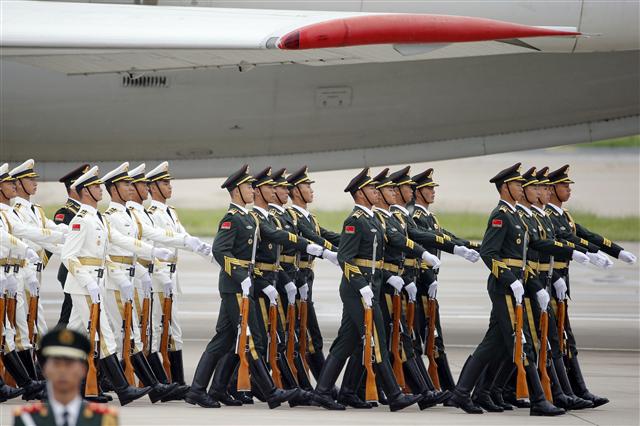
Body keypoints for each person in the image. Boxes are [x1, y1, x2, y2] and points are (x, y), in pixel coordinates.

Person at [186, 165, 320, 409]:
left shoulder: (249, 217)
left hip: (243, 284)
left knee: (225, 339)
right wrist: (240, 275)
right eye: (248, 186)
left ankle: (206, 390)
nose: (252, 190)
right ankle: (270, 392)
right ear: (236, 190)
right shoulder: (232, 218)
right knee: (254, 338)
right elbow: (219, 250)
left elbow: (273, 234)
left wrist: (309, 247)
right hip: (234, 286)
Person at [448, 163, 565, 416]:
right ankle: (538, 400)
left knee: (495, 344)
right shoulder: (500, 215)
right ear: (505, 188)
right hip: (504, 287)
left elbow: (531, 251)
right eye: (516, 184)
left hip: (518, 286)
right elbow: (489, 253)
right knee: (520, 342)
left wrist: (570, 253)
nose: (522, 188)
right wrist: (510, 279)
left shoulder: (518, 216)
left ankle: (462, 393)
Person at [312, 168, 423, 412]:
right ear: (360, 193)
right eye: (373, 189)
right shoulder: (355, 221)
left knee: (347, 341)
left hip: (370, 286)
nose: (377, 192)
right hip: (355, 289)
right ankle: (394, 395)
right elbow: (346, 258)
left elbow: (377, 259)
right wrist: (362, 286)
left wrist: (390, 278)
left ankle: (324, 392)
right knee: (377, 336)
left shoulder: (373, 219)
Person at [61, 166, 173, 406]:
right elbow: (68, 256)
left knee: (75, 336)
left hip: (95, 283)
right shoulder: (81, 220)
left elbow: (121, 240)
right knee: (105, 336)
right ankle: (123, 389)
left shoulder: (98, 218)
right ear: (85, 191)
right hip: (84, 285)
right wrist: (88, 281)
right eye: (96, 187)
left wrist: (152, 250)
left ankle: (73, 390)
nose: (101, 189)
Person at [545, 164, 637, 408]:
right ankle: (567, 391)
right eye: (564, 185)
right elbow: (565, 242)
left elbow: (587, 235)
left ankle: (577, 390)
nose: (568, 189)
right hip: (549, 282)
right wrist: (586, 254)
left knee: (563, 339)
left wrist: (617, 251)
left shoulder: (564, 216)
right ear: (552, 189)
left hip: (560, 284)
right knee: (554, 339)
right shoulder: (548, 217)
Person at [144, 162, 212, 401]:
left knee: (174, 331)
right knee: (155, 330)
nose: (169, 187)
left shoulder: (170, 212)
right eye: (164, 183)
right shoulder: (150, 214)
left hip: (172, 275)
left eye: (169, 182)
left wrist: (210, 253)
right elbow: (157, 244)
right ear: (152, 187)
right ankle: (159, 384)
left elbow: (185, 238)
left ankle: (177, 382)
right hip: (158, 276)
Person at [284, 166, 341, 384]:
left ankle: (318, 387)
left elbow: (327, 235)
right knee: (307, 336)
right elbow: (313, 239)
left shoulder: (310, 217)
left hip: (307, 279)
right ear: (296, 190)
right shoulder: (293, 216)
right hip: (295, 279)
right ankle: (323, 387)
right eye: (307, 186)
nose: (311, 190)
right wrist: (331, 253)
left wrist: (354, 245)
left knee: (307, 335)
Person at [13, 327, 119, 426]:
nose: (62, 371)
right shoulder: (27, 420)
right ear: (44, 370)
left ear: (83, 370)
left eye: (69, 364)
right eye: (56, 364)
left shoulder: (102, 420)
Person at [52, 164, 90, 328]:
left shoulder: (87, 212)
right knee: (70, 312)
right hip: (70, 271)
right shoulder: (65, 213)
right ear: (76, 187)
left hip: (83, 270)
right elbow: (60, 243)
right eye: (86, 185)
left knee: (76, 314)